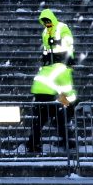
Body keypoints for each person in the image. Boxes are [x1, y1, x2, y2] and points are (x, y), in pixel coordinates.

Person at [28, 8, 77, 155]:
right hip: (48, 93)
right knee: (59, 118)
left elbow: (67, 42)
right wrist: (72, 103)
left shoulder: (61, 27)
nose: (46, 24)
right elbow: (67, 91)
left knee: (40, 121)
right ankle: (68, 143)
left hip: (39, 91)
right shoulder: (63, 70)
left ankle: (33, 144)